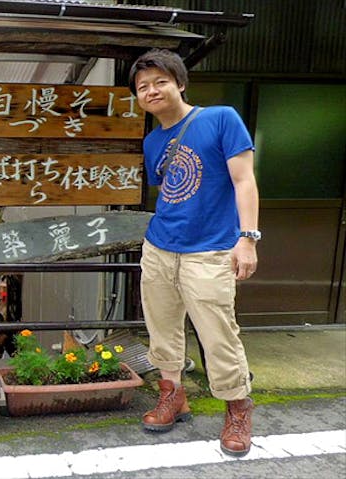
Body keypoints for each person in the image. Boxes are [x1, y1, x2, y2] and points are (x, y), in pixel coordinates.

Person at [129, 49, 260, 457]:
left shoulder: (220, 118)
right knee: (163, 328)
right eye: (142, 87)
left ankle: (238, 409)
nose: (151, 91)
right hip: (160, 247)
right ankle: (173, 395)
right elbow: (169, 192)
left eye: (160, 82)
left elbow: (244, 181)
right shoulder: (153, 141)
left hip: (211, 250)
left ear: (180, 83)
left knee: (218, 333)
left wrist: (248, 238)